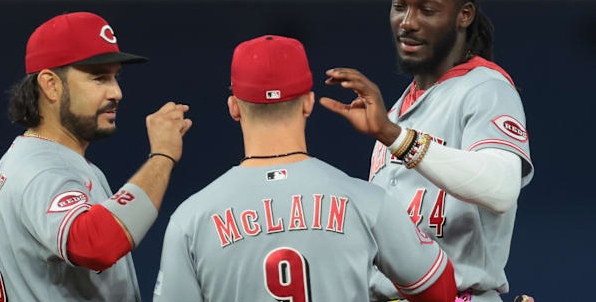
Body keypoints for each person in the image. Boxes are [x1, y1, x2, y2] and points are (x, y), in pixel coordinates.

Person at [152, 35, 457, 302]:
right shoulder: (367, 201)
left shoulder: (191, 219)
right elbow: (441, 290)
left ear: (234, 107)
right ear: (308, 103)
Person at [320, 0, 534, 302]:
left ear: (464, 15)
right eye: (400, 5)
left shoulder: (485, 88)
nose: (407, 22)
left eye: (427, 9)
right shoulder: (402, 106)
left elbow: (501, 189)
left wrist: (395, 137)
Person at [0, 12, 192, 302]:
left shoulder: (40, 157)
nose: (116, 92)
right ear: (51, 85)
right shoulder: (42, 169)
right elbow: (94, 244)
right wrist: (162, 157)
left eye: (116, 77)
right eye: (99, 78)